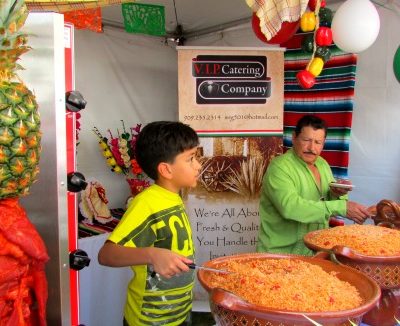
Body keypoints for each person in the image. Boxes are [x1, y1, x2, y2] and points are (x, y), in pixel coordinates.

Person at [98, 121, 201, 326]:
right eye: (190, 159)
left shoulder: (172, 197)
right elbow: (106, 255)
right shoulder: (146, 202)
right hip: (149, 320)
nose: (198, 165)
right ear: (166, 170)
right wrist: (152, 254)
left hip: (177, 314)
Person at [257, 115, 370, 256]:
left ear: (323, 144)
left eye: (318, 142)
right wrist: (342, 207)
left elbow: (325, 202)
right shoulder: (279, 167)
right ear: (294, 137)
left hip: (315, 250)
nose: (312, 148)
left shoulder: (322, 164)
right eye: (306, 140)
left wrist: (336, 194)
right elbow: (290, 208)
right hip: (280, 254)